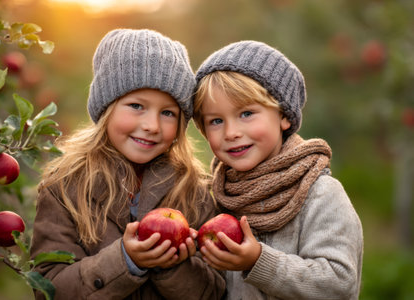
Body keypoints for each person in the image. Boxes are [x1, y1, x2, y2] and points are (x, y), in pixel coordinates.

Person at [30, 29, 225, 300]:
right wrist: (125, 260)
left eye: (167, 113)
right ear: (106, 108)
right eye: (136, 106)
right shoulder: (63, 187)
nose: (152, 126)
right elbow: (48, 289)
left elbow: (215, 292)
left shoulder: (194, 190)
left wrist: (170, 266)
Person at [192, 40, 363, 300]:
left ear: (283, 115)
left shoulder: (319, 194)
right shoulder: (216, 196)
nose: (231, 133)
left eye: (247, 113)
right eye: (216, 121)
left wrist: (258, 261)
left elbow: (339, 283)